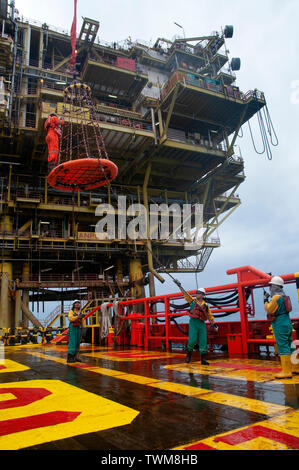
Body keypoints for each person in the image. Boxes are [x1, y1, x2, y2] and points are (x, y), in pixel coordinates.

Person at [264, 276, 299, 378]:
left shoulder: (275, 298)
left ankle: (287, 372)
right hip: (287, 322)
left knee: (282, 346)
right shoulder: (285, 297)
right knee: (291, 346)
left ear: (274, 287)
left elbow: (269, 310)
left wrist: (265, 300)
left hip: (279, 323)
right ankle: (296, 368)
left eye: (270, 286)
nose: (270, 288)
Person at [185, 288, 216, 365]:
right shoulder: (192, 301)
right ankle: (188, 355)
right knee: (192, 340)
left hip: (201, 323)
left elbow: (209, 316)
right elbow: (185, 294)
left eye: (199, 293)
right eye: (196, 292)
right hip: (193, 323)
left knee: (203, 341)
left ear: (203, 295)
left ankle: (203, 359)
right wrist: (180, 286)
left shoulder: (206, 306)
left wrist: (213, 324)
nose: (197, 294)